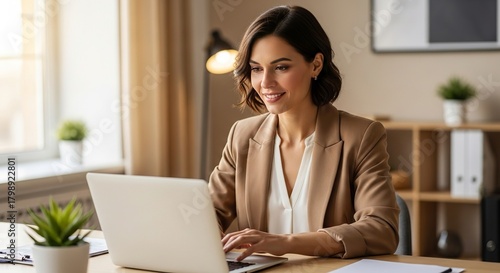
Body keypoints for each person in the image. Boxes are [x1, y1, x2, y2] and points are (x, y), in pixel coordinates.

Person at [208, 5, 399, 261]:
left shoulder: (361, 136)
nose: (265, 83)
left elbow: (381, 229)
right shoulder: (242, 135)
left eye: (281, 67)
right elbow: (208, 213)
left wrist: (285, 243)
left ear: (316, 65)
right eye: (256, 69)